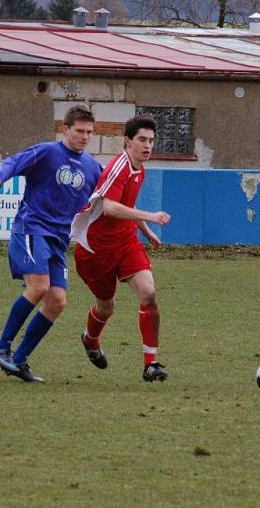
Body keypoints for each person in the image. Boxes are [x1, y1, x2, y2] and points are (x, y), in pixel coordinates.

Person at [0, 105, 102, 383]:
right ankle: (2, 347)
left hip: (58, 241)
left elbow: (108, 198)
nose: (85, 137)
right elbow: (13, 162)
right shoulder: (48, 152)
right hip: (32, 229)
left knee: (57, 302)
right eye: (79, 131)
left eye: (89, 132)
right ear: (65, 129)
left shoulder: (92, 167)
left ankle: (19, 359)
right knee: (39, 286)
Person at [71, 114, 171, 382]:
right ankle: (90, 340)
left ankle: (151, 364)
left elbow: (126, 207)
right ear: (127, 142)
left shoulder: (140, 169)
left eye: (151, 140)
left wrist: (146, 231)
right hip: (96, 251)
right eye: (142, 140)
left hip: (126, 244)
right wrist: (150, 216)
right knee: (106, 308)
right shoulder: (120, 167)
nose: (147, 145)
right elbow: (110, 206)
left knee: (148, 293)